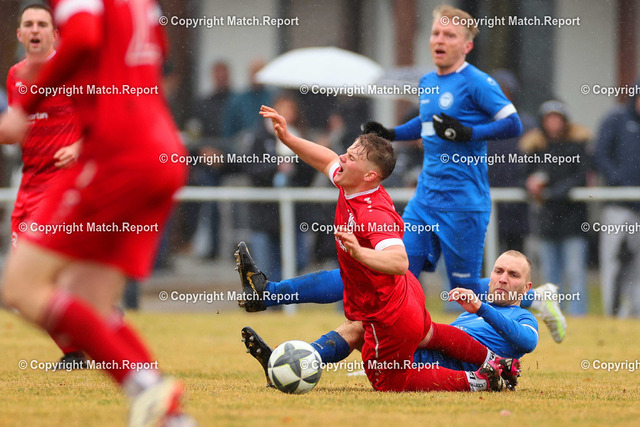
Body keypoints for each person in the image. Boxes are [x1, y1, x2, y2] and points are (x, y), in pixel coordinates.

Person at [0, 1, 193, 425]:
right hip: (159, 151)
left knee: (20, 287)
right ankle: (170, 415)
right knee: (91, 302)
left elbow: (84, 36)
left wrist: (24, 106)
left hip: (115, 157)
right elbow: (154, 60)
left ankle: (148, 389)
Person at [255, 105, 518, 393]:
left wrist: (360, 253)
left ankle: (479, 380)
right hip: (405, 296)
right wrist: (288, 138)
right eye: (347, 152)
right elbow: (325, 158)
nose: (341, 158)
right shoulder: (351, 181)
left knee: (389, 383)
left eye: (351, 157)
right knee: (428, 333)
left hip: (389, 314)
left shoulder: (373, 214)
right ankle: (493, 360)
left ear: (370, 175)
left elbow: (399, 260)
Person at [241, 250, 536, 388]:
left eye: (513, 275)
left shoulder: (522, 317)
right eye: (498, 271)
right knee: (361, 318)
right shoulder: (478, 303)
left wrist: (482, 308)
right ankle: (295, 362)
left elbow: (526, 341)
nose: (503, 279)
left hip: (435, 364)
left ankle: (269, 297)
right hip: (419, 342)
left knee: (369, 280)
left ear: (526, 288)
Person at [6, 3, 84, 367]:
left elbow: (107, 119)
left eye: (42, 24)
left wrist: (78, 146)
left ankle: (78, 346)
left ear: (54, 34)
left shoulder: (74, 73)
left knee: (37, 276)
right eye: (29, 24)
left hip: (62, 188)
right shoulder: (15, 75)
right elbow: (16, 130)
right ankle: (81, 339)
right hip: (28, 186)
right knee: (20, 288)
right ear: (20, 34)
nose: (35, 29)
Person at [522, 100, 591, 315]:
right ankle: (552, 315)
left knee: (575, 272)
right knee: (550, 274)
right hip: (546, 222)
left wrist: (553, 193)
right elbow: (524, 177)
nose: (553, 123)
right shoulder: (535, 149)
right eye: (549, 119)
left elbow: (581, 177)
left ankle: (578, 315)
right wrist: (530, 184)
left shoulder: (577, 147)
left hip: (573, 221)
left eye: (557, 118)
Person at [594, 82, 640, 317]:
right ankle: (610, 313)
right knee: (612, 261)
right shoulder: (616, 119)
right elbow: (600, 155)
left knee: (637, 267)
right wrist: (618, 181)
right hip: (617, 206)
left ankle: (635, 314)